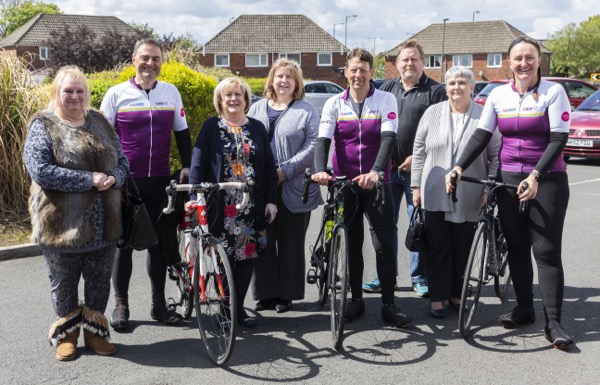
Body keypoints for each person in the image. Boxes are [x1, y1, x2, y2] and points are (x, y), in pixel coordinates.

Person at [446, 37, 573, 349]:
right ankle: (525, 308)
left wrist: (535, 176)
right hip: (508, 179)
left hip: (547, 179)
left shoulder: (553, 92)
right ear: (509, 62)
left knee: (544, 251)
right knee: (515, 246)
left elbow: (559, 137)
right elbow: (483, 133)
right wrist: (459, 166)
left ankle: (553, 321)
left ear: (539, 60)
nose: (524, 64)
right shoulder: (499, 94)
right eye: (518, 58)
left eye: (530, 57)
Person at [24, 65, 129, 361]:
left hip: (103, 221)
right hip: (61, 224)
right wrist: (89, 179)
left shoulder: (100, 121)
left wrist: (115, 178)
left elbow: (122, 161)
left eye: (79, 90)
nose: (74, 96)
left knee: (99, 280)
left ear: (87, 93)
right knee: (64, 283)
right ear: (57, 92)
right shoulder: (43, 125)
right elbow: (41, 171)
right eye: (68, 91)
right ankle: (67, 334)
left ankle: (95, 333)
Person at [312, 48, 412, 328]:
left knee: (383, 246)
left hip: (377, 183)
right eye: (353, 70)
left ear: (371, 73)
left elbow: (388, 139)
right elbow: (323, 140)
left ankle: (389, 305)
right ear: (346, 72)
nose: (358, 75)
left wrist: (377, 172)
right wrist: (321, 169)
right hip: (346, 184)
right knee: (353, 244)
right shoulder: (334, 103)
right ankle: (356, 300)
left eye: (363, 70)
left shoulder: (385, 99)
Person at [100, 38, 192, 330]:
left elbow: (182, 133)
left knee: (159, 247)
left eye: (156, 59)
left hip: (161, 181)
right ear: (134, 59)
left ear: (161, 62)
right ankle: (121, 305)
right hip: (128, 183)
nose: (150, 64)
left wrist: (188, 166)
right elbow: (103, 140)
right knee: (123, 245)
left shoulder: (171, 92)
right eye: (145, 58)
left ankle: (158, 305)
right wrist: (110, 174)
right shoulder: (117, 94)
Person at [411, 66, 500, 319]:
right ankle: (437, 297)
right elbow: (419, 151)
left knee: (462, 247)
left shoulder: (484, 116)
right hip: (434, 190)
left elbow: (495, 156)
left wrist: (487, 187)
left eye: (462, 82)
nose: (456, 87)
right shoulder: (432, 113)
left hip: (470, 192)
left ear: (472, 87)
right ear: (446, 88)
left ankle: (457, 293)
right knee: (437, 247)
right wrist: (416, 185)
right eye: (451, 83)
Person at [189, 77, 278, 327]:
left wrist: (271, 201)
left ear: (246, 100)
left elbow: (270, 168)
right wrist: (193, 199)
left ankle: (237, 309)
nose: (233, 99)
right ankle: (226, 309)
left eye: (238, 95)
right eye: (228, 95)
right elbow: (197, 164)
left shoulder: (258, 127)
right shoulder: (210, 127)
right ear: (220, 100)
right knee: (224, 258)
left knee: (246, 257)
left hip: (251, 205)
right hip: (221, 206)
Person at [363, 39, 447, 297]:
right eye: (404, 60)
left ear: (423, 62)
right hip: (387, 171)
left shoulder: (436, 91)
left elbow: (443, 130)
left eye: (414, 59)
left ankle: (419, 277)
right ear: (396, 64)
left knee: (418, 224)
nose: (409, 63)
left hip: (418, 172)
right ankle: (385, 275)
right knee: (385, 227)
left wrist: (417, 156)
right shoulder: (386, 89)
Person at [247, 59, 322, 313]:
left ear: (297, 83)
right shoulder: (255, 109)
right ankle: (266, 294)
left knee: (291, 242)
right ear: (271, 79)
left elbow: (312, 146)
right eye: (279, 76)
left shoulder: (307, 111)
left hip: (295, 187)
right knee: (263, 241)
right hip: (260, 188)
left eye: (290, 77)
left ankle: (286, 295)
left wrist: (284, 171)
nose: (284, 81)